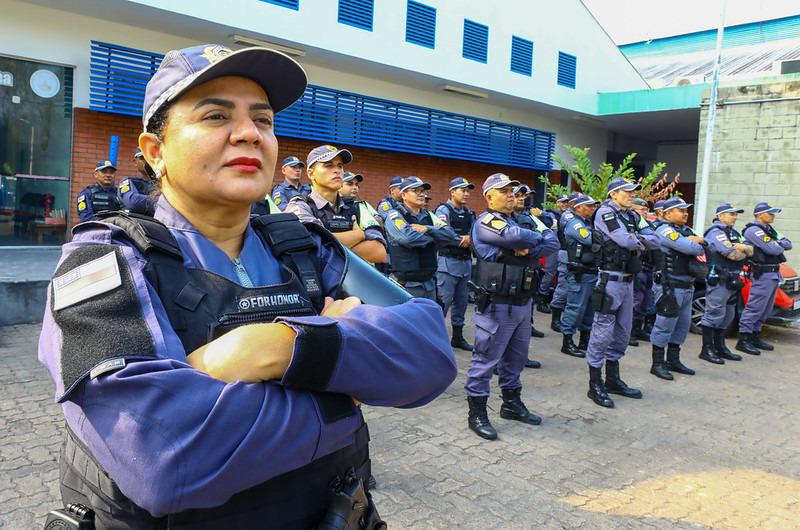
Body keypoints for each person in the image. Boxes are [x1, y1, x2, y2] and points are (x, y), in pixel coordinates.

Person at [39, 43, 457, 529]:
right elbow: (166, 456)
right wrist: (348, 383)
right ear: (156, 152)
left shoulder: (304, 247)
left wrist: (278, 346)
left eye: (263, 120)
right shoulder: (107, 259)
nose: (249, 134)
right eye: (216, 116)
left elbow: (429, 350)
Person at [465, 174, 559, 440]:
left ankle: (511, 405)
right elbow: (516, 236)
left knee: (516, 359)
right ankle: (477, 414)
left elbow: (553, 242)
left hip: (522, 304)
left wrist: (523, 247)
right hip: (497, 305)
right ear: (489, 196)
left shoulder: (516, 220)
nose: (510, 195)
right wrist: (530, 240)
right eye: (503, 191)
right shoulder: (486, 221)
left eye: (512, 190)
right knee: (485, 360)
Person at [585, 178, 652, 408]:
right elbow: (624, 240)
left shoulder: (632, 215)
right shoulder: (606, 213)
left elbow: (657, 239)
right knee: (602, 332)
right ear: (614, 194)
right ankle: (595, 384)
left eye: (633, 192)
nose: (632, 195)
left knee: (623, 332)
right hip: (610, 280)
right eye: (627, 192)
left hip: (628, 281)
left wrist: (637, 240)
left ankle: (612, 380)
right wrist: (640, 241)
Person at [285, 146, 387, 264]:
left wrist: (329, 246)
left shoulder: (357, 207)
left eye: (340, 166)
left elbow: (379, 252)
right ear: (311, 174)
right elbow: (313, 248)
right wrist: (357, 235)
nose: (337, 170)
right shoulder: (300, 206)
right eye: (328, 165)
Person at [649, 198, 706, 379]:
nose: (685, 213)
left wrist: (696, 242)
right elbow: (689, 247)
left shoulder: (686, 231)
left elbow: (706, 247)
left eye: (686, 210)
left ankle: (673, 360)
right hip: (669, 286)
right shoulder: (664, 230)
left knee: (682, 326)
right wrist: (695, 242)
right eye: (680, 210)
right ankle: (657, 363)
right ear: (667, 214)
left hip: (687, 286)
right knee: (664, 325)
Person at [384, 177, 459, 300]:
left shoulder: (430, 216)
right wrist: (436, 237)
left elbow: (451, 236)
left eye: (423, 191)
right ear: (403, 195)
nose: (421, 194)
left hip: (429, 283)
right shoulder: (395, 215)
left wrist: (428, 229)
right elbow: (408, 238)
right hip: (406, 284)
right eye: (415, 190)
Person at [736, 202, 793, 355]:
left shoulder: (770, 230)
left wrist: (778, 243)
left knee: (766, 308)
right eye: (769, 213)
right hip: (762, 273)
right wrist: (778, 244)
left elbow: (788, 244)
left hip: (773, 273)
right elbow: (773, 249)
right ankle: (744, 339)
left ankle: (755, 336)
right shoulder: (754, 230)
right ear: (759, 214)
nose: (772, 216)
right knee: (755, 307)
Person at [700, 203, 752, 363]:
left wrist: (745, 249)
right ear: (720, 216)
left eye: (736, 214)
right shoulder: (716, 232)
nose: (735, 217)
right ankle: (707, 349)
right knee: (714, 314)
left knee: (728, 315)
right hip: (720, 279)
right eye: (731, 214)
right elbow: (732, 254)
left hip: (733, 280)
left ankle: (720, 347)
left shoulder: (734, 233)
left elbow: (752, 250)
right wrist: (745, 250)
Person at [435, 177, 476, 351]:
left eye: (468, 191)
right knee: (443, 303)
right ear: (452, 192)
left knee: (461, 303)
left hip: (465, 264)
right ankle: (435, 339)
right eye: (463, 190)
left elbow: (476, 234)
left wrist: (470, 239)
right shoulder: (443, 210)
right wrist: (462, 239)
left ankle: (457, 338)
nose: (466, 194)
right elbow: (443, 232)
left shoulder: (469, 213)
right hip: (448, 264)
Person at [560, 194, 600, 357]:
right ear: (578, 207)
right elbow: (590, 239)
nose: (593, 208)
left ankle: (585, 339)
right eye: (589, 206)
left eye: (593, 206)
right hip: (580, 273)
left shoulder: (588, 223)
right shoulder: (575, 224)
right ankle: (567, 342)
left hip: (591, 271)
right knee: (575, 308)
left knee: (590, 309)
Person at [549, 192, 582, 332]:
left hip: (577, 255)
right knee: (563, 288)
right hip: (566, 254)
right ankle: (555, 319)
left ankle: (570, 320)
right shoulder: (568, 215)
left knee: (576, 289)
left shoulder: (580, 216)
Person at [535, 194, 568, 314]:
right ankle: (541, 299)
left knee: (561, 275)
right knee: (550, 272)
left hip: (564, 248)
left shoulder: (568, 215)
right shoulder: (551, 214)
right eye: (562, 202)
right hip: (553, 248)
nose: (564, 204)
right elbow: (551, 224)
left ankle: (555, 300)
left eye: (566, 202)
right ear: (557, 203)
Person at [629, 197, 656, 346]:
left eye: (646, 210)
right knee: (636, 300)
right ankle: (629, 332)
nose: (645, 212)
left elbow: (655, 241)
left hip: (648, 266)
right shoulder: (630, 224)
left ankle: (638, 329)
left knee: (646, 300)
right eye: (642, 209)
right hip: (637, 266)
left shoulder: (648, 225)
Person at [118, 148, 158, 216]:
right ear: (135, 162)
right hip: (134, 221)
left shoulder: (162, 183)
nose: (147, 161)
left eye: (150, 158)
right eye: (143, 158)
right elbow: (132, 202)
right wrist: (159, 201)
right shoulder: (129, 181)